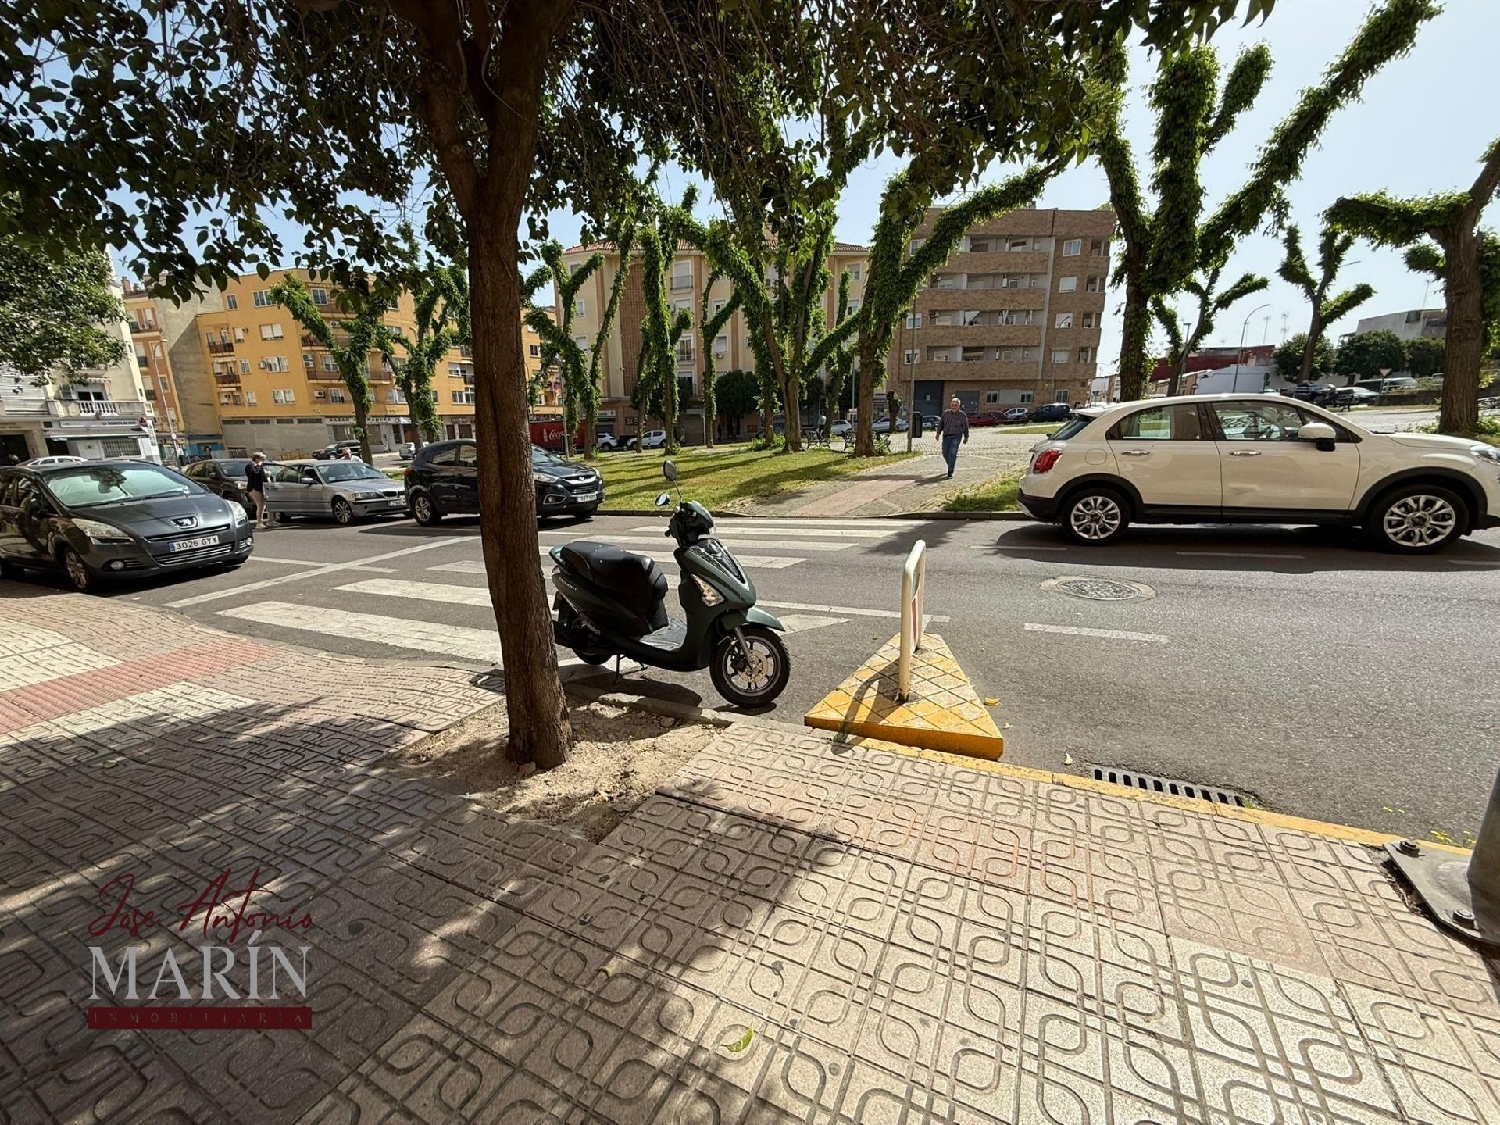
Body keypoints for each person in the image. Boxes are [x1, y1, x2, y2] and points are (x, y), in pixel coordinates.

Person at [938, 396, 969, 479]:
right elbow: (941, 424)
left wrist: (966, 437)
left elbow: (965, 427)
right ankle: (951, 464)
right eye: (952, 405)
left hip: (956, 436)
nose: (954, 407)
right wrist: (938, 433)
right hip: (946, 436)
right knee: (945, 453)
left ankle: (950, 470)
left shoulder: (962, 415)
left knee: (952, 453)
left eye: (955, 405)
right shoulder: (946, 413)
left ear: (959, 406)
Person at [244, 452, 270, 529]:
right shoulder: (250, 465)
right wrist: (259, 465)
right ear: (256, 458)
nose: (263, 460)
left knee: (263, 504)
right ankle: (259, 523)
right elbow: (253, 474)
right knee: (261, 505)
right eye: (261, 459)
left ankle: (267, 520)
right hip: (254, 488)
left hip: (260, 488)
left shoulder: (257, 466)